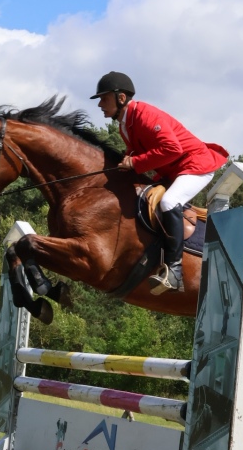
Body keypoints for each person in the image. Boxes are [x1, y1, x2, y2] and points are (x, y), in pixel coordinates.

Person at [91, 71, 228, 293]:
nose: (100, 104)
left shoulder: (145, 115)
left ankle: (174, 271)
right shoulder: (125, 124)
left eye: (104, 98)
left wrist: (135, 162)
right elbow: (138, 154)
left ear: (121, 98)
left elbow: (172, 149)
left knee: (168, 202)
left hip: (196, 165)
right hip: (174, 169)